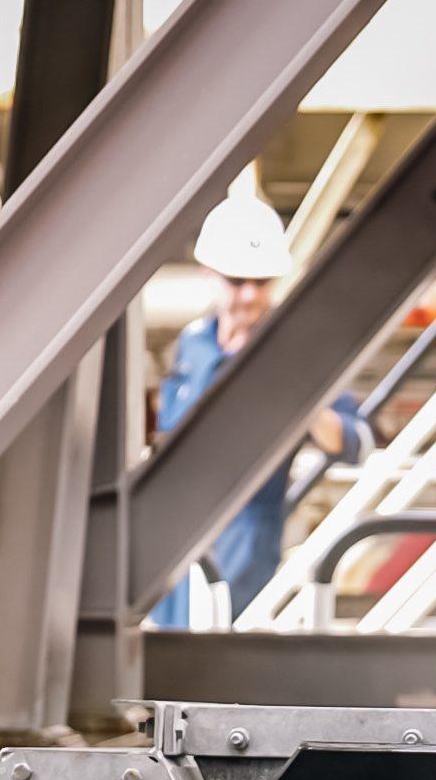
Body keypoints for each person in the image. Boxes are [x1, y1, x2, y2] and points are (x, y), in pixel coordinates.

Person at [147, 185, 368, 625]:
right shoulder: (193, 344)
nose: (250, 295)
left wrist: (298, 400)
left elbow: (357, 442)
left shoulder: (295, 351)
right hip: (172, 543)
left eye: (262, 282)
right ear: (209, 272)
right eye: (237, 281)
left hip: (245, 548)